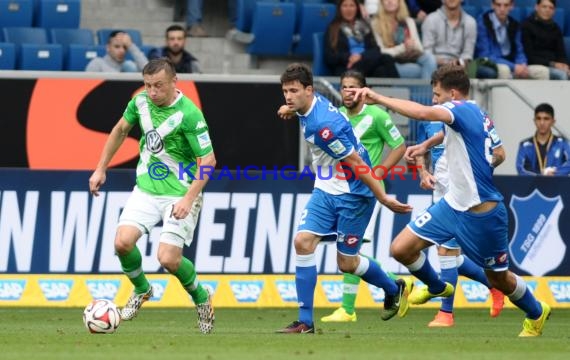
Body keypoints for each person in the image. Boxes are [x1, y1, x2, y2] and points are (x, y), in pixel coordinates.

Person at [348, 64, 551, 337]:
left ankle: (537, 312)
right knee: (401, 249)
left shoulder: (461, 109)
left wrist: (378, 98)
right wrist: (425, 146)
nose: (434, 100)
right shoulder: (472, 112)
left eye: (437, 94)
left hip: (483, 212)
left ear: (453, 94)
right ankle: (436, 287)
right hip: (453, 204)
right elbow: (451, 133)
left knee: (498, 278)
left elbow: (422, 113)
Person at [275, 63, 413, 334]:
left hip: (354, 194)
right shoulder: (309, 105)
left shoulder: (325, 126)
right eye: (285, 92)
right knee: (302, 242)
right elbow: (299, 107)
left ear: (309, 90)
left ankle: (393, 287)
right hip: (326, 189)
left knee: (346, 263)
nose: (288, 97)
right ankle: (306, 321)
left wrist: (382, 196)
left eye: (293, 91)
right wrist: (289, 109)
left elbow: (356, 162)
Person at [88, 58, 216, 334]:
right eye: (148, 85)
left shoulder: (189, 114)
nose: (153, 92)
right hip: (147, 188)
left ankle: (202, 299)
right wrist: (101, 168)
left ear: (174, 82)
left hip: (180, 192)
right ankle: (142, 289)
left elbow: (208, 160)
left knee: (168, 258)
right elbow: (120, 130)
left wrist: (188, 199)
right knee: (122, 243)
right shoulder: (140, 102)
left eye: (158, 86)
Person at [319, 70, 406, 322]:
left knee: (350, 248)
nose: (348, 92)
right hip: (341, 190)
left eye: (353, 87)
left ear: (363, 90)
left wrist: (379, 172)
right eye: (344, 87)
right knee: (347, 247)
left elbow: (399, 145)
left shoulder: (377, 115)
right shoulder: (338, 117)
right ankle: (390, 286)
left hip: (368, 190)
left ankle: (348, 309)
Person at [410, 117, 505, 327]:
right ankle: (493, 284)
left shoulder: (465, 118)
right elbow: (421, 150)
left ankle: (446, 313)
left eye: (438, 94)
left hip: (461, 197)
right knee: (449, 256)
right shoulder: (428, 120)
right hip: (440, 193)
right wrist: (423, 172)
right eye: (433, 94)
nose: (435, 99)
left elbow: (496, 153)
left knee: (446, 253)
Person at [324, 0, 399, 78]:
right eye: (345, 6)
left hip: (366, 61)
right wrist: (349, 57)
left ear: (357, 8)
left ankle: (398, 88)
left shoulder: (364, 26)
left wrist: (361, 56)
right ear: (339, 9)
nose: (348, 9)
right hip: (348, 66)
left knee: (383, 67)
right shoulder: (333, 29)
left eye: (352, 6)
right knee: (384, 62)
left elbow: (376, 50)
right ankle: (399, 88)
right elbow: (329, 57)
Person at [475, 0, 546, 79]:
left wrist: (523, 65)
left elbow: (519, 50)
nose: (502, 9)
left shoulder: (514, 24)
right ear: (492, 5)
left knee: (542, 71)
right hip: (491, 63)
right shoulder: (483, 22)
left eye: (506, 5)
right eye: (498, 5)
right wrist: (513, 66)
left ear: (512, 6)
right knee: (505, 70)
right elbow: (485, 55)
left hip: (512, 63)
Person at [371, 0, 437, 79]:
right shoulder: (376, 23)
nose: (390, 1)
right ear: (381, 3)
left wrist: (411, 45)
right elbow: (381, 52)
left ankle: (429, 91)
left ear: (399, 2)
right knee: (417, 70)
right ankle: (428, 91)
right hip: (391, 62)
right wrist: (403, 47)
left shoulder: (409, 21)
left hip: (411, 56)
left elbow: (419, 48)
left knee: (430, 58)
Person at [516, 103, 570, 175]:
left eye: (546, 119)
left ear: (553, 121)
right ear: (534, 121)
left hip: (557, 185)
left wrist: (555, 172)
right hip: (533, 185)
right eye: (538, 118)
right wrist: (541, 176)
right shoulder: (525, 145)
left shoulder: (562, 143)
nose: (542, 123)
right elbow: (520, 169)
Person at [521, 0, 570, 80]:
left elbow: (561, 53)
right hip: (535, 65)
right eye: (544, 7)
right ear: (536, 7)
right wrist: (553, 64)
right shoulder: (526, 26)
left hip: (554, 65)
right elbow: (529, 56)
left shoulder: (556, 28)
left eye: (551, 8)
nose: (547, 10)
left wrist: (564, 65)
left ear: (554, 11)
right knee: (561, 75)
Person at [421, 0, 477, 69]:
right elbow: (427, 52)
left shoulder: (470, 23)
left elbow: (467, 54)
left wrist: (458, 63)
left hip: (459, 68)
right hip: (434, 66)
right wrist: (443, 62)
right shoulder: (430, 20)